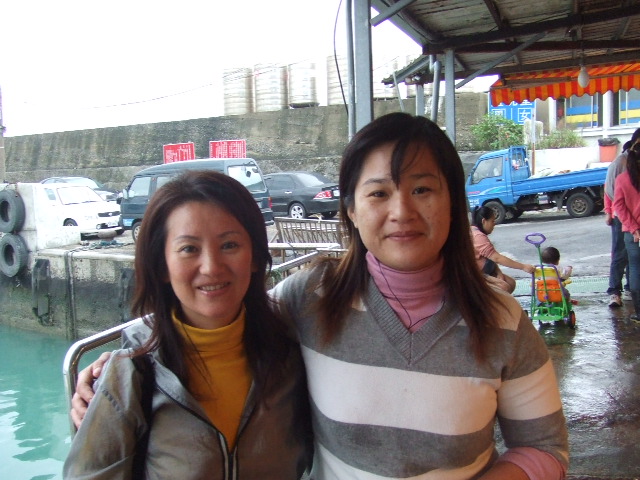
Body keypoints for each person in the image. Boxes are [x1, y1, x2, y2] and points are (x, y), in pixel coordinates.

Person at [73, 113, 569, 479]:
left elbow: (545, 448)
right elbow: (219, 313)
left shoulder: (504, 321)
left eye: (422, 189)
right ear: (350, 209)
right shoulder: (310, 297)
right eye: (378, 193)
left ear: (453, 201)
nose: (401, 211)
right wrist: (117, 369)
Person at [64, 170, 312, 479]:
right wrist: (110, 380)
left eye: (229, 245)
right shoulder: (131, 374)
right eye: (189, 249)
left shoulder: (293, 354)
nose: (211, 267)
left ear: (254, 257)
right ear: (162, 266)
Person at [604, 128, 640, 307]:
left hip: (630, 222)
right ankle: (614, 291)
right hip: (623, 219)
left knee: (634, 263)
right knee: (621, 255)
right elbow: (609, 189)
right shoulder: (620, 163)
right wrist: (610, 211)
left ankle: (631, 291)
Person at [471, 206, 536, 293]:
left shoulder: (477, 232)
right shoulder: (477, 236)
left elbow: (490, 257)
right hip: (475, 275)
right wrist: (523, 267)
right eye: (492, 221)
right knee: (503, 287)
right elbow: (496, 258)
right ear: (484, 221)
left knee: (510, 283)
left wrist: (498, 272)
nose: (494, 224)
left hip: (486, 271)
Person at [613, 137, 640, 322]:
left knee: (635, 269)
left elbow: (619, 206)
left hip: (633, 235)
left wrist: (634, 228)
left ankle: (639, 312)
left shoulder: (622, 180)